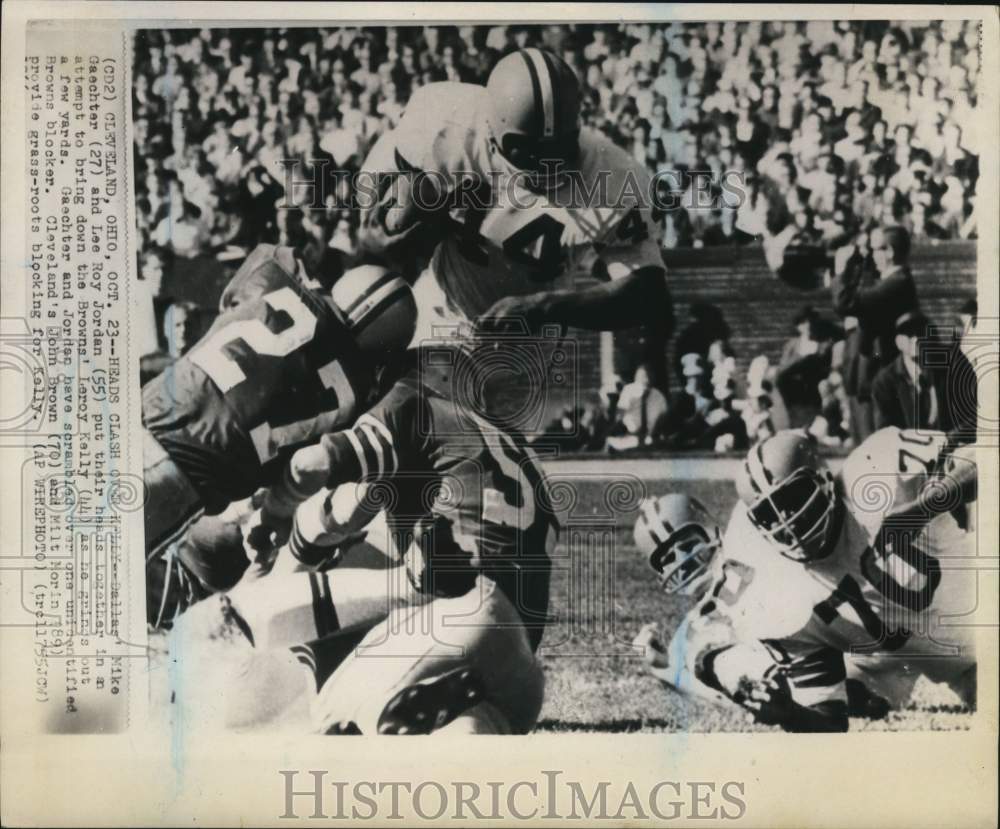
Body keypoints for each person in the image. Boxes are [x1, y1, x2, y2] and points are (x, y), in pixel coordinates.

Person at [354, 48, 670, 381]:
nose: (547, 163)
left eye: (558, 147)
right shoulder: (448, 121)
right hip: (440, 313)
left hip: (523, 353)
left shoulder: (610, 175)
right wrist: (414, 211)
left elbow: (648, 294)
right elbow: (375, 228)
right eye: (530, 151)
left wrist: (547, 307)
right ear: (491, 134)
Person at [141, 247, 417, 628]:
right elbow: (301, 466)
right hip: (182, 474)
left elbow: (248, 280)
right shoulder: (352, 390)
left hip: (145, 413)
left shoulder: (275, 280)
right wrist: (276, 514)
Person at [633, 428, 978, 731]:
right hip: (966, 670)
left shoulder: (872, 473)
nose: (789, 520)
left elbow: (985, 458)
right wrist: (789, 714)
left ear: (824, 478)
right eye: (770, 514)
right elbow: (829, 719)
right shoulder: (783, 593)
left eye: (794, 498)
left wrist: (926, 504)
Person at [832, 224, 918, 444]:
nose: (871, 255)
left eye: (875, 249)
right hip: (870, 377)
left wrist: (842, 269)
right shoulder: (890, 281)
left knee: (876, 447)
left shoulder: (897, 283)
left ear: (889, 251)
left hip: (879, 379)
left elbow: (845, 302)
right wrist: (856, 266)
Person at [872, 311, 977, 434]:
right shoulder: (884, 382)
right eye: (909, 334)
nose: (916, 339)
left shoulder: (953, 366)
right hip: (907, 445)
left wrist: (950, 438)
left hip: (952, 442)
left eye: (920, 333)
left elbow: (974, 414)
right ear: (898, 342)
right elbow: (885, 432)